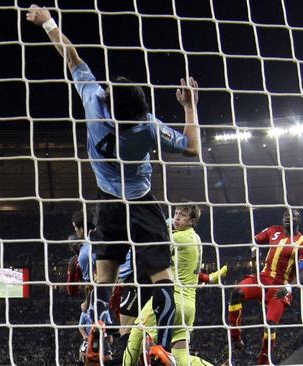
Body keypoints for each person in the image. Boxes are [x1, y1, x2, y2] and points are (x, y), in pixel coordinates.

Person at [27, 5, 200, 365]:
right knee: (161, 277)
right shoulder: (147, 128)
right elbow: (192, 147)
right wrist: (189, 106)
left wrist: (48, 22)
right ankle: (163, 348)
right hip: (141, 204)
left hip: (107, 204)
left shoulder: (94, 103)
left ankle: (96, 335)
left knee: (104, 276)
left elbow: (72, 58)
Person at [122, 205, 219, 366]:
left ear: (192, 221)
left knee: (136, 334)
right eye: (176, 213)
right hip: (188, 306)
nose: (177, 217)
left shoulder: (177, 238)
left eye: (183, 215)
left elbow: (152, 243)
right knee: (182, 359)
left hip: (170, 299)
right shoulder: (195, 238)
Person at [228, 208, 303, 365]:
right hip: (263, 278)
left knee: (270, 325)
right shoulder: (273, 230)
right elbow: (255, 240)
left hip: (281, 287)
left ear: (299, 220)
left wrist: (289, 288)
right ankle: (235, 337)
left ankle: (263, 363)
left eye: (293, 216)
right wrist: (254, 251)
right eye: (286, 215)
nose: (289, 218)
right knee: (236, 292)